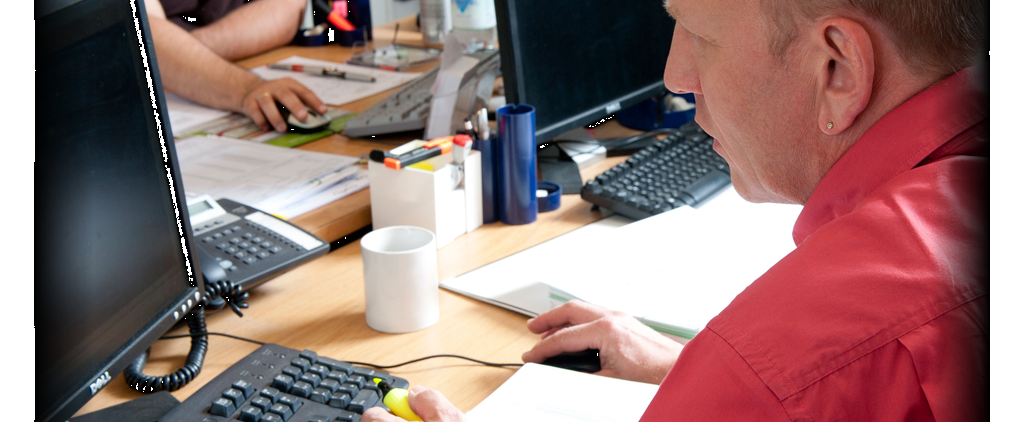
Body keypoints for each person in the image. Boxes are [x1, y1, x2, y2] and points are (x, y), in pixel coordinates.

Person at [363, 0, 987, 419]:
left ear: (838, 70)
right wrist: (694, 373)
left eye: (701, 37)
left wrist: (741, 383)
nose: (675, 76)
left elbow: (814, 375)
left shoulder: (792, 358)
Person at [144, 0, 328, 133]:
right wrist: (248, 89)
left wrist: (181, 53)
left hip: (209, 78)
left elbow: (289, 5)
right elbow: (143, 34)